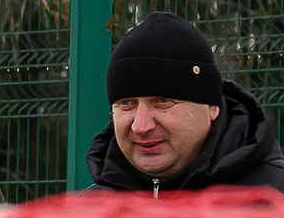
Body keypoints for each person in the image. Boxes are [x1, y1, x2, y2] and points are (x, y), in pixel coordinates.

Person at [88, 12, 284, 195]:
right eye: (126, 103)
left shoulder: (275, 198)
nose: (141, 126)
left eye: (163, 101)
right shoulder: (89, 216)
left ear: (211, 107)